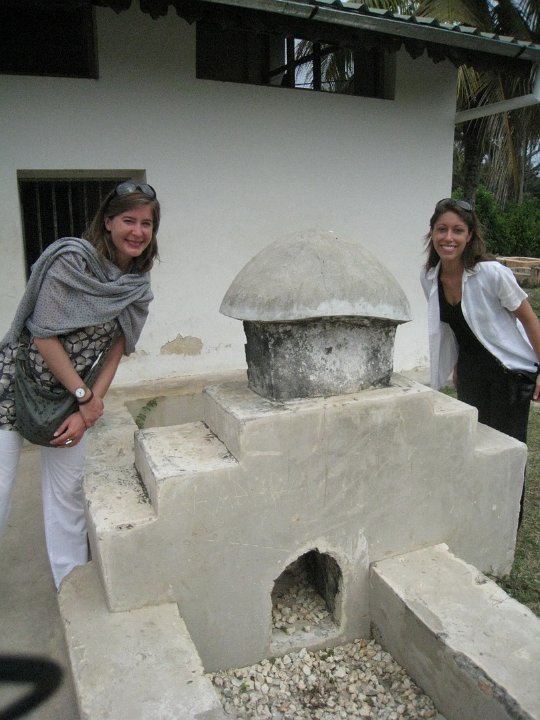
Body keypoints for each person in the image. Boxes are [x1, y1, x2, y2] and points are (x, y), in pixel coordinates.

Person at [0, 181, 159, 588]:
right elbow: (43, 335)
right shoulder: (72, 261)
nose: (138, 231)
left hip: (70, 398)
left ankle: (69, 587)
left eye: (147, 223)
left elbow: (117, 348)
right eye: (129, 220)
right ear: (108, 221)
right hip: (13, 384)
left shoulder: (136, 286)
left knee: (67, 497)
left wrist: (90, 407)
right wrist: (85, 396)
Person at [421, 198, 540, 519]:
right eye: (442, 229)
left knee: (508, 449)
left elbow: (529, 319)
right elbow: (452, 327)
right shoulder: (429, 277)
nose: (449, 237)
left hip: (510, 373)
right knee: (476, 443)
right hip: (471, 372)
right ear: (432, 233)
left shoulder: (492, 274)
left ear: (470, 236)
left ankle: (508, 521)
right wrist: (457, 365)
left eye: (458, 230)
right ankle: (480, 516)